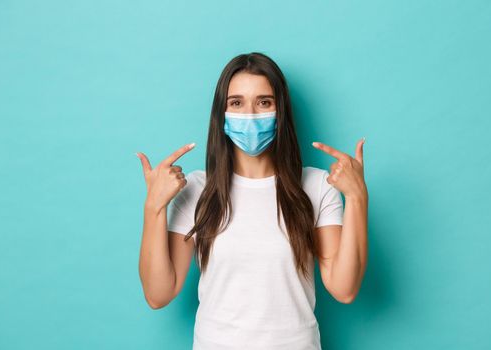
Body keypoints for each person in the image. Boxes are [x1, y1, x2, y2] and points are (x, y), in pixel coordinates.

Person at [137, 52, 369, 350]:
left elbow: (344, 288)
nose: (250, 114)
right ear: (221, 114)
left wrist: (357, 197)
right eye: (236, 103)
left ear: (280, 111)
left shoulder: (316, 186)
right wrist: (154, 207)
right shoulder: (197, 189)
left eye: (264, 102)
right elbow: (158, 294)